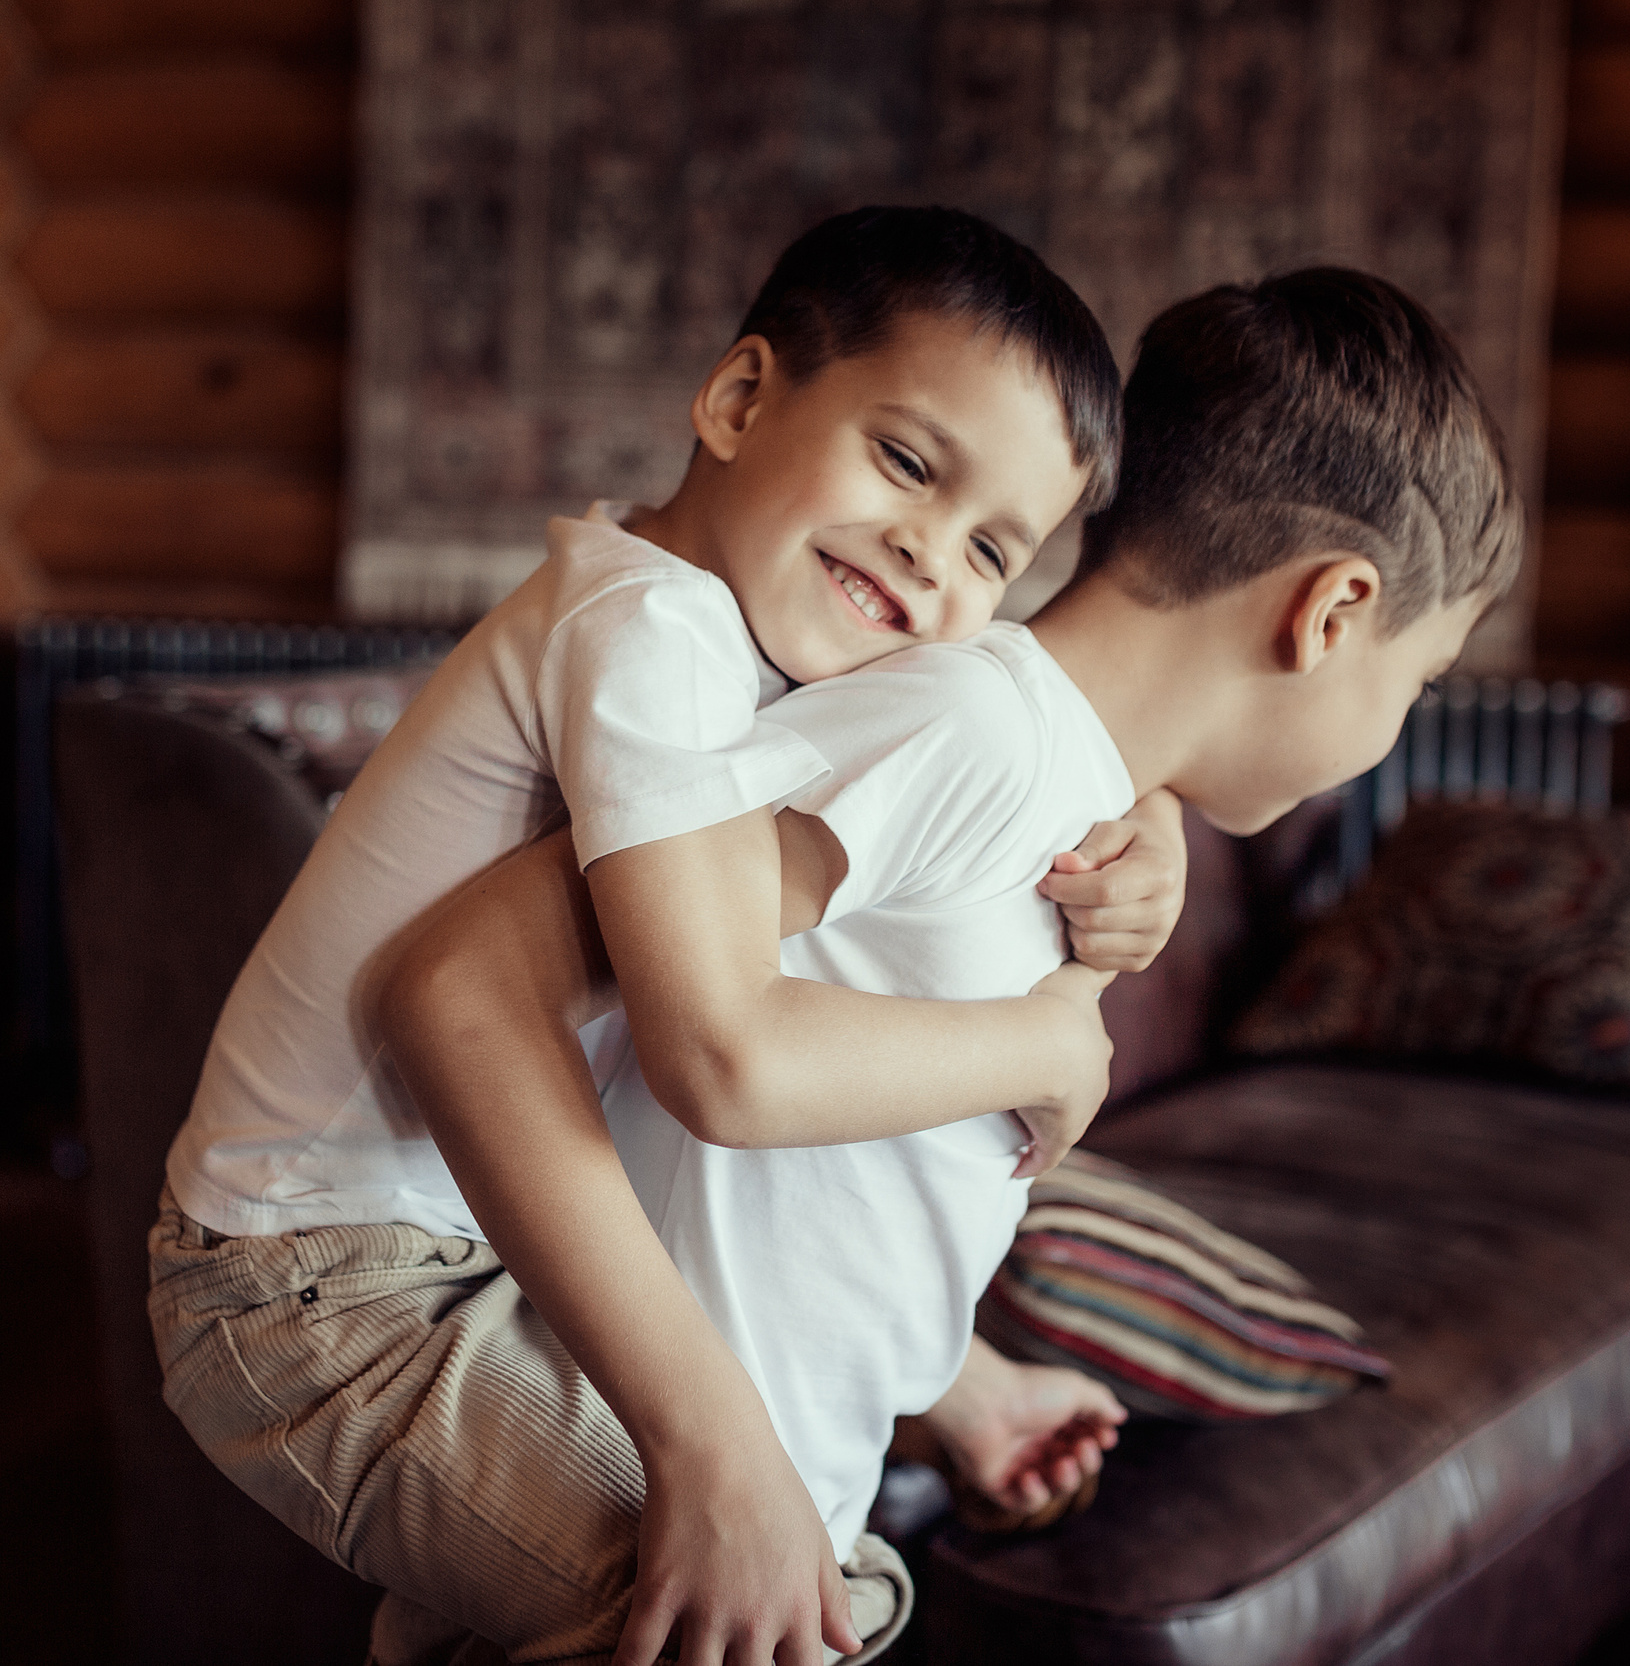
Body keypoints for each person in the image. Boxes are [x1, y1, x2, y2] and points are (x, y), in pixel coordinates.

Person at [374, 264, 1528, 1666]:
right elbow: (498, 983)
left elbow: (840, 1196)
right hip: (653, 1487)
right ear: (1332, 613)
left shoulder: (1057, 791)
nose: (1397, 724)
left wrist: (956, 1387)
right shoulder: (971, 736)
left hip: (760, 1488)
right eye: (1418, 684)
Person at [150, 206, 1185, 1665]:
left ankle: (945, 1386)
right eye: (905, 462)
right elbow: (716, 1044)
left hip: (455, 1249)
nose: (928, 551)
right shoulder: (655, 636)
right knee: (782, 1609)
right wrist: (1035, 1041)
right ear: (739, 400)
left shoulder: (744, 647)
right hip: (315, 1285)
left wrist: (1153, 829)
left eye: (993, 550)